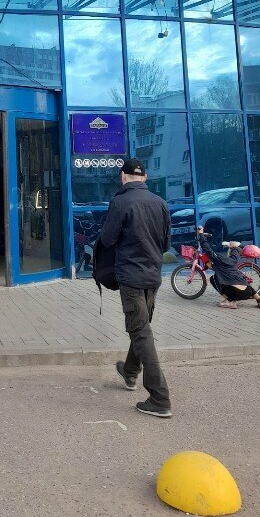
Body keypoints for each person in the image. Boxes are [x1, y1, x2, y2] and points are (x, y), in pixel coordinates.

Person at [99, 158, 173, 418]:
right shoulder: (160, 203)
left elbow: (107, 239)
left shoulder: (120, 202)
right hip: (153, 276)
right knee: (141, 326)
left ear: (123, 177)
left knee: (141, 331)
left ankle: (159, 398)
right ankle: (130, 372)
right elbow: (166, 245)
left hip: (131, 277)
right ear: (145, 178)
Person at [197, 227, 260, 310]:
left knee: (213, 279)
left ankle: (230, 302)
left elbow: (207, 249)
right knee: (241, 280)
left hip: (236, 293)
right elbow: (237, 250)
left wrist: (201, 234)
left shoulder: (218, 261)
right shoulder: (234, 259)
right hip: (248, 292)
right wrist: (233, 247)